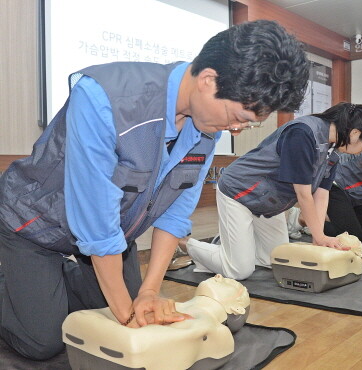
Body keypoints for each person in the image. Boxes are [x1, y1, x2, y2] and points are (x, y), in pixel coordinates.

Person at [0, 20, 310, 360]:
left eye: (249, 124)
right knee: (42, 342)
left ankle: (48, 285)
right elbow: (93, 216)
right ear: (208, 80)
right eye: (238, 116)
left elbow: (174, 213)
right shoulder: (103, 97)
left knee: (111, 310)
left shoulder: (208, 129)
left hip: (109, 236)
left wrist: (148, 291)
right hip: (32, 225)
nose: (236, 127)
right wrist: (128, 316)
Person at [185, 103, 362, 280]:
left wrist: (317, 236)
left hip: (270, 203)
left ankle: (231, 247)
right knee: (239, 270)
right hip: (240, 192)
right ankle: (184, 244)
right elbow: (303, 194)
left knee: (275, 259)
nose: (361, 154)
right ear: (355, 134)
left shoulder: (333, 151)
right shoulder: (303, 133)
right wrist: (321, 237)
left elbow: (322, 194)